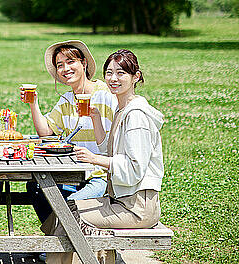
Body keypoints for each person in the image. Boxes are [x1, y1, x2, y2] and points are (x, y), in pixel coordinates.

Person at [44, 49, 164, 264]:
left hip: (136, 208)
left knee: (66, 218)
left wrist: (93, 159)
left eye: (121, 73)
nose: (113, 79)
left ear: (136, 77)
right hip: (120, 200)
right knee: (63, 211)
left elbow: (133, 168)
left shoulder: (136, 117)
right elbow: (110, 151)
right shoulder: (122, 109)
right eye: (109, 73)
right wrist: (96, 119)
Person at [22, 40, 118, 224]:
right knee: (35, 186)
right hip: (73, 172)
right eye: (60, 65)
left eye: (71, 61)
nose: (65, 68)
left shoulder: (106, 95)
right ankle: (57, 244)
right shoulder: (67, 100)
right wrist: (33, 103)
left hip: (100, 175)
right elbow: (46, 132)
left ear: (84, 63)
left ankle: (62, 246)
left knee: (70, 205)